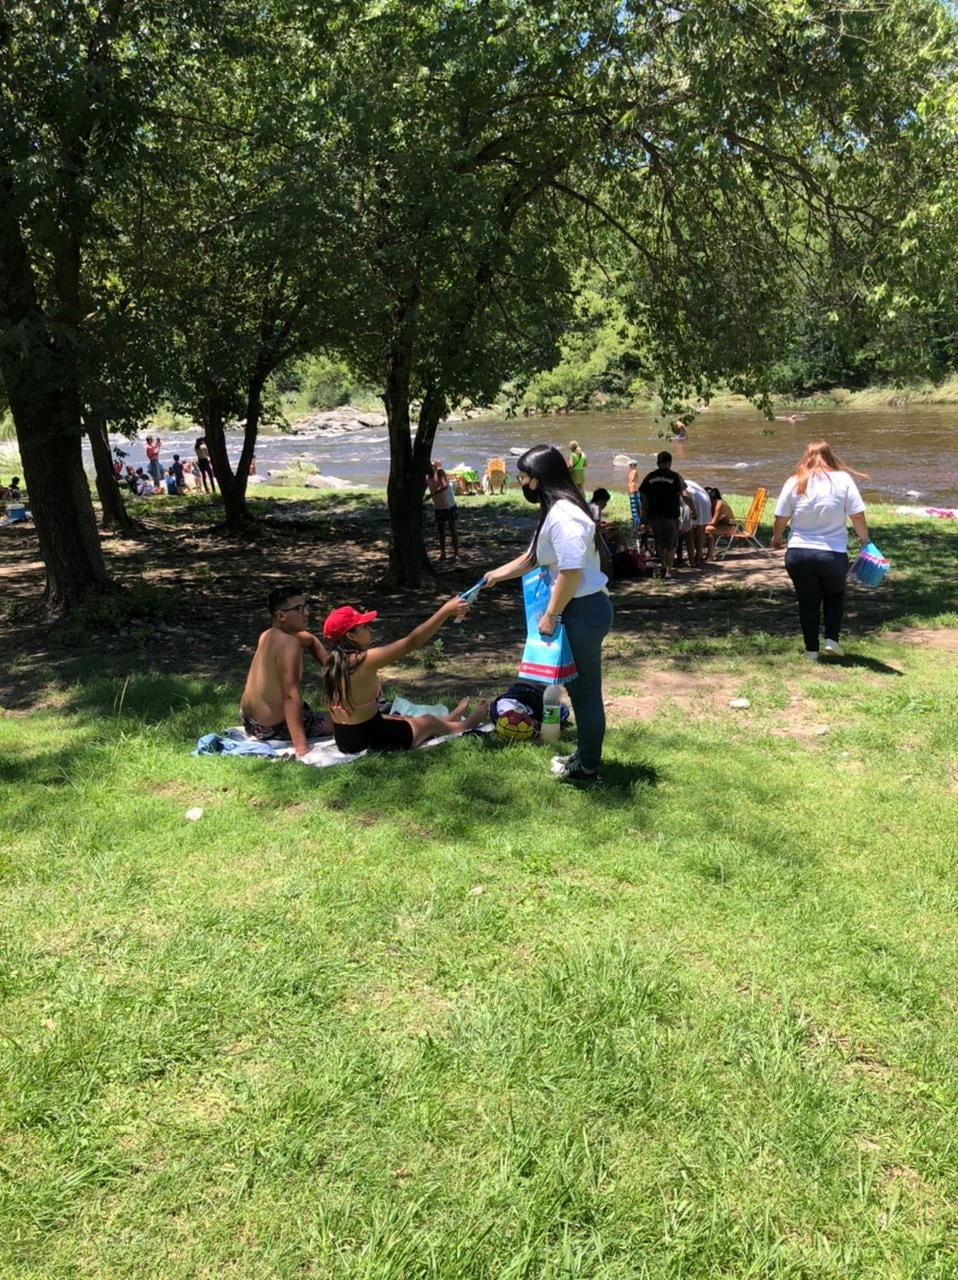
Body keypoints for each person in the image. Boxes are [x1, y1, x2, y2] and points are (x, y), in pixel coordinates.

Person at [480, 444, 613, 782]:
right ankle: (584, 756)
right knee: (578, 690)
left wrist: (550, 615)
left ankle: (588, 768)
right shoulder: (556, 511)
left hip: (581, 610)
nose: (521, 483)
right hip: (578, 609)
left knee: (585, 695)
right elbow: (533, 558)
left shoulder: (565, 515)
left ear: (538, 479)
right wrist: (495, 575)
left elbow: (570, 572)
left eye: (523, 477)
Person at [322, 602, 488, 752]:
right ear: (351, 636)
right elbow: (411, 642)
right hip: (370, 739)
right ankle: (465, 725)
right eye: (364, 627)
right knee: (428, 720)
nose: (370, 629)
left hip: (345, 739)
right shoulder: (363, 660)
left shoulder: (333, 662)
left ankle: (446, 721)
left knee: (401, 718)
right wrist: (445, 612)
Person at [772, 440, 870, 660]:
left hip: (798, 553)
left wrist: (776, 538)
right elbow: (857, 515)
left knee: (808, 602)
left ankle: (811, 651)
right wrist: (865, 540)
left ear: (806, 457)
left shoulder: (795, 481)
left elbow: (780, 517)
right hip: (832, 554)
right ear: (830, 456)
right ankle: (831, 640)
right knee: (834, 595)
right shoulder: (843, 480)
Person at [240, 584, 333, 755]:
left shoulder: (268, 634)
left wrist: (333, 673)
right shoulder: (289, 644)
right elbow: (290, 697)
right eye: (299, 609)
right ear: (281, 615)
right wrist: (302, 748)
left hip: (250, 722)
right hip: (273, 729)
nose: (306, 613)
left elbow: (310, 640)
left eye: (306, 606)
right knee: (348, 719)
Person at [638, 451, 693, 579]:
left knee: (659, 541)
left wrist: (644, 511)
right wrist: (693, 509)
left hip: (654, 515)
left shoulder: (650, 477)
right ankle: (668, 570)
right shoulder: (675, 476)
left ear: (658, 463)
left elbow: (642, 494)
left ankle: (662, 565)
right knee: (671, 543)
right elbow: (684, 495)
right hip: (671, 515)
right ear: (669, 463)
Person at [424, 460, 459, 561]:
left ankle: (456, 553)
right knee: (441, 531)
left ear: (431, 466)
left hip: (449, 506)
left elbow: (444, 485)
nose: (425, 471)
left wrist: (431, 494)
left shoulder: (439, 472)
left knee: (452, 529)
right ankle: (443, 553)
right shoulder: (428, 478)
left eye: (426, 468)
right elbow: (423, 489)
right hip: (438, 507)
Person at [683, 478, 712, 569]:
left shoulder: (678, 484)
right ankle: (698, 559)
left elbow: (684, 495)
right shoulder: (689, 483)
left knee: (688, 533)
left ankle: (691, 561)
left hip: (692, 501)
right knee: (700, 531)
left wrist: (692, 509)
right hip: (705, 500)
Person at [704, 486, 737, 561]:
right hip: (720, 525)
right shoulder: (712, 504)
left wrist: (701, 524)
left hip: (731, 527)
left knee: (707, 529)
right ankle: (699, 554)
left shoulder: (720, 504)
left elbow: (713, 522)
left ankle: (710, 556)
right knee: (701, 528)